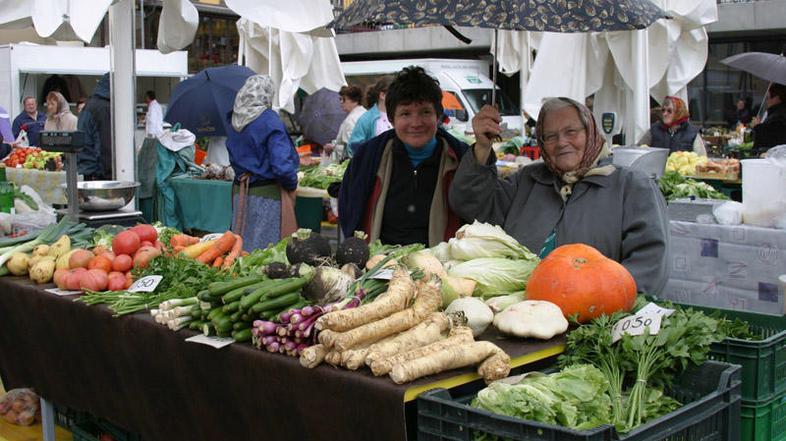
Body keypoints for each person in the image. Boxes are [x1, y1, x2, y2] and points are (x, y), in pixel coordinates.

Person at [449, 98, 669, 294]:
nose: (562, 142)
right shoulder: (527, 180)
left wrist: (604, 306)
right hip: (523, 314)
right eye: (550, 136)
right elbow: (471, 205)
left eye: (571, 132)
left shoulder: (630, 186)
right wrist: (482, 147)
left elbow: (649, 262)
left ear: (590, 131)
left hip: (595, 319)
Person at [339, 66, 470, 247]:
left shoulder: (461, 158)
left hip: (441, 267)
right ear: (392, 119)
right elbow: (350, 211)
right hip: (379, 266)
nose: (416, 123)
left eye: (425, 112)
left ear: (438, 116)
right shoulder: (368, 157)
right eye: (405, 114)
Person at [226, 75, 299, 251]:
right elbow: (281, 165)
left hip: (240, 193)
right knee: (265, 252)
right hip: (266, 197)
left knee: (240, 248)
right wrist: (292, 183)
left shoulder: (233, 120)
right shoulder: (269, 120)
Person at [638, 96, 706, 155]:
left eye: (669, 111)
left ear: (679, 113)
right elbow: (639, 150)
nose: (665, 114)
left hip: (682, 169)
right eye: (663, 110)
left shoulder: (692, 132)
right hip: (656, 169)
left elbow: (701, 159)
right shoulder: (654, 130)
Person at [77, 73, 113, 179]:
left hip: (88, 168)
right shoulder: (103, 108)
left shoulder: (92, 104)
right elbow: (105, 144)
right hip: (98, 172)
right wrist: (108, 174)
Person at [347, 76, 394, 155]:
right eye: (394, 93)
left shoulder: (399, 116)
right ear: (382, 95)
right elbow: (353, 146)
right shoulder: (366, 119)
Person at [324, 85, 366, 162]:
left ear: (355, 100)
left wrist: (333, 147)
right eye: (340, 99)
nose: (341, 102)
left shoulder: (351, 120)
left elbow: (350, 148)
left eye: (343, 99)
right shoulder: (365, 113)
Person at [752, 83, 786, 155]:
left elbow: (772, 139)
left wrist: (758, 126)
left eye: (768, 98)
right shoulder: (777, 113)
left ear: (777, 98)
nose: (767, 101)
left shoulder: (779, 116)